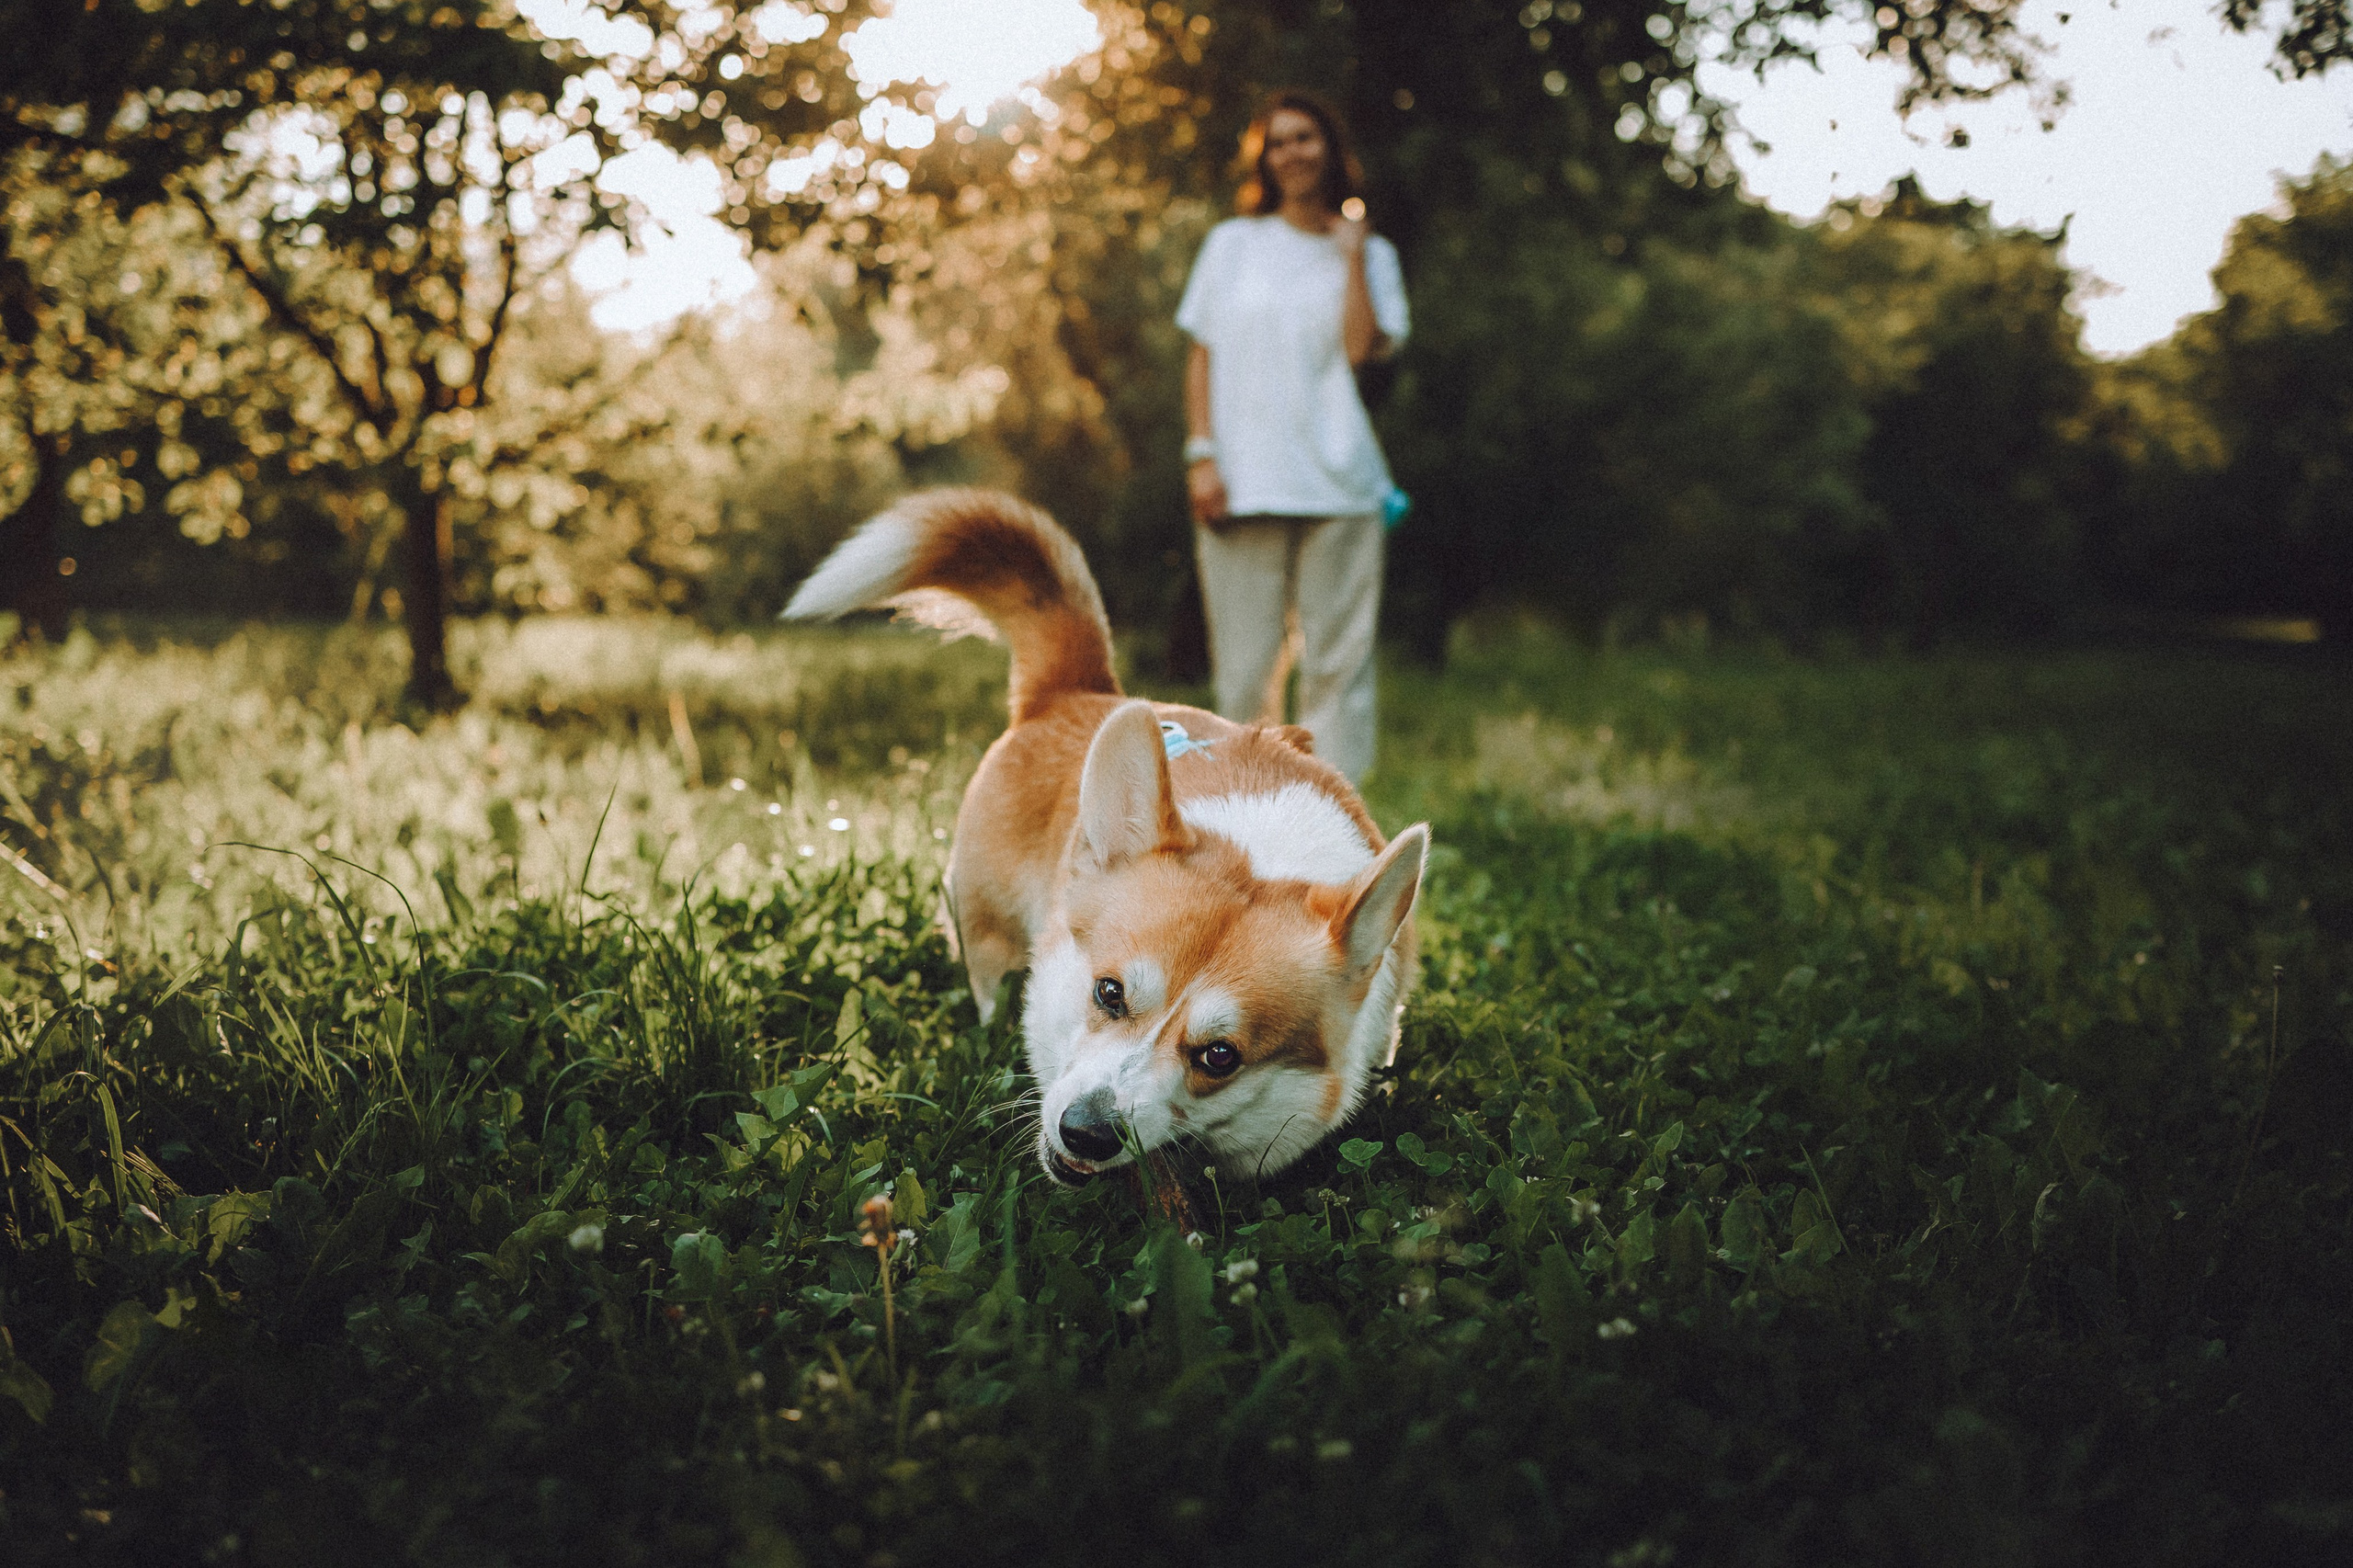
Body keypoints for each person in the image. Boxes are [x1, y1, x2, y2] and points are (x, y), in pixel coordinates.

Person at [1175, 90, 1408, 785]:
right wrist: (1201, 455)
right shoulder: (1233, 244)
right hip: (1242, 479)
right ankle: (1246, 821)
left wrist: (1355, 256)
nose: (1293, 152)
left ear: (1330, 151)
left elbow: (1362, 351)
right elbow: (1202, 357)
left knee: (1338, 670)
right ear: (1263, 158)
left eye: (1305, 137)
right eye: (1278, 142)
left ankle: (1335, 830)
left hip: (1342, 485)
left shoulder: (1372, 253)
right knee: (1245, 674)